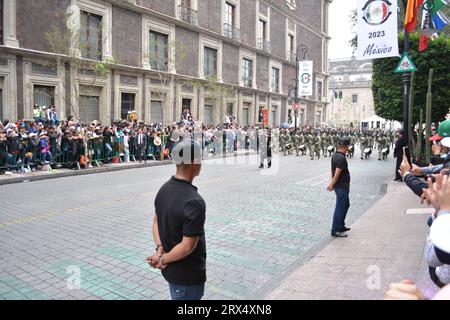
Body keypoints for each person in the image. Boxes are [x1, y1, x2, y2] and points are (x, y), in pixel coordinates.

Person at [147, 140, 206, 301]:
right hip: (187, 276)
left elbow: (156, 222)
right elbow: (187, 246)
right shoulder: (194, 202)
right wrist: (161, 258)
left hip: (171, 272)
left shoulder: (164, 189)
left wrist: (160, 248)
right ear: (194, 163)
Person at [327, 139, 352, 238]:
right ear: (345, 147)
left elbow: (332, 171)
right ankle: (336, 229)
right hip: (341, 186)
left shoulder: (335, 156)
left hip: (340, 185)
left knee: (346, 204)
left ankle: (341, 225)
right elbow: (337, 174)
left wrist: (332, 183)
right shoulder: (341, 158)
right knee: (340, 207)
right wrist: (331, 184)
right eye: (348, 147)